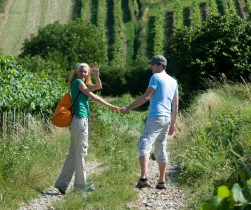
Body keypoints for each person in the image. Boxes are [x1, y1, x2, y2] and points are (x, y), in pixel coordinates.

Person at [55, 63, 120, 194]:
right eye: (81, 71)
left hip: (77, 122)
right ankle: (80, 186)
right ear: (76, 72)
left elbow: (98, 87)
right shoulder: (78, 82)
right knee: (81, 154)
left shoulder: (81, 83)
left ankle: (62, 184)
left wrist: (96, 75)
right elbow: (94, 96)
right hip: (79, 121)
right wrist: (111, 106)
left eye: (85, 72)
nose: (83, 74)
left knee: (73, 154)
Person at [121, 55, 178, 190]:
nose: (151, 67)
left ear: (159, 65)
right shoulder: (173, 81)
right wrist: (173, 123)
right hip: (166, 118)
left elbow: (146, 97)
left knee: (144, 145)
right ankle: (161, 181)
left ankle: (143, 178)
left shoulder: (156, 78)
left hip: (155, 116)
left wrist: (128, 108)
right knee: (161, 147)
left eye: (152, 65)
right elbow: (175, 105)